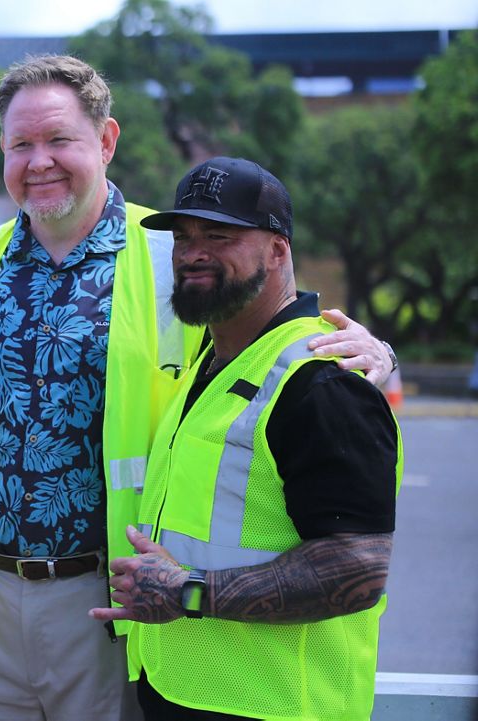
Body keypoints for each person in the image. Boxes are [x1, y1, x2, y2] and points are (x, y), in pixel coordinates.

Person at [0, 55, 395, 721]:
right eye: (21, 145)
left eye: (59, 140)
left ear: (105, 140)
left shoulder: (177, 259)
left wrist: (379, 352)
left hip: (110, 590)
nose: (39, 161)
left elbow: (275, 343)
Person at [88, 156, 400, 720]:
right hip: (186, 690)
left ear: (278, 249)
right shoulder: (215, 356)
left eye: (219, 235)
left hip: (277, 705)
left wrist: (187, 592)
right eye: (183, 237)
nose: (192, 253)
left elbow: (357, 570)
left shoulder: (321, 382)